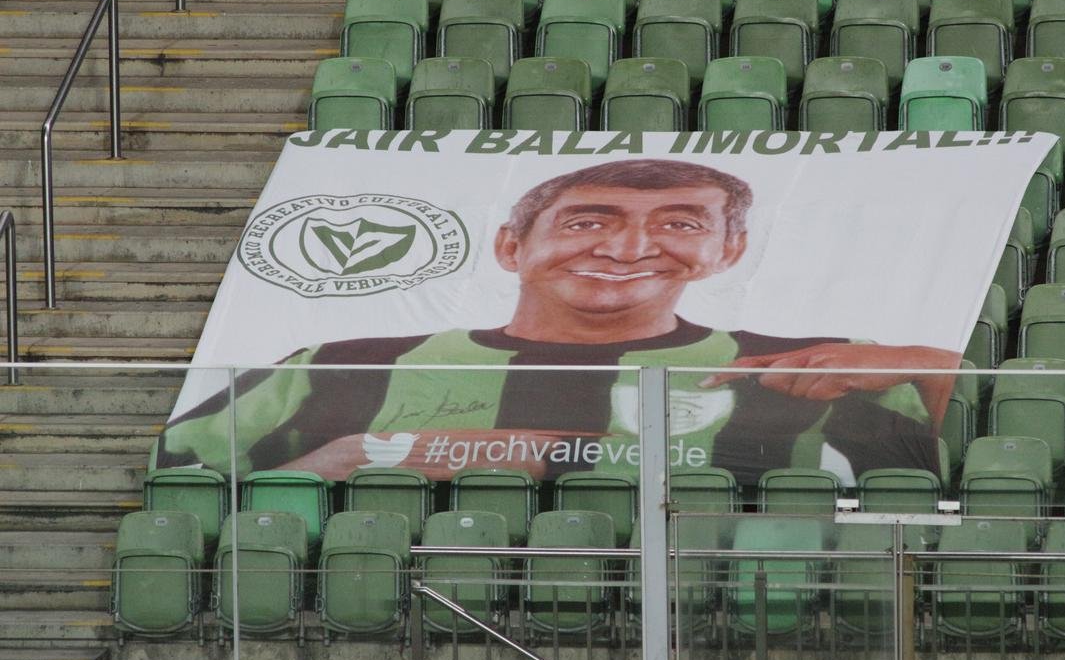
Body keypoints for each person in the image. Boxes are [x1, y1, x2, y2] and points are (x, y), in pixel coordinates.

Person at [156, 159, 959, 484]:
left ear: (727, 250)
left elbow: (937, 487)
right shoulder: (340, 360)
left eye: (680, 224)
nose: (628, 246)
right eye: (586, 222)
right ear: (511, 245)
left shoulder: (815, 364)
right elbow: (176, 485)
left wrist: (930, 364)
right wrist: (340, 459)